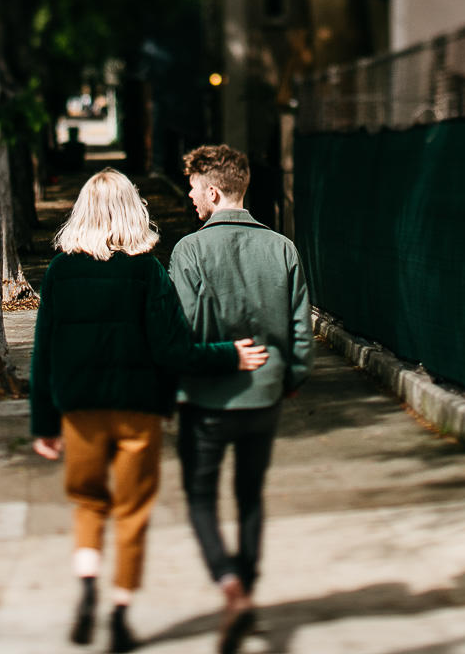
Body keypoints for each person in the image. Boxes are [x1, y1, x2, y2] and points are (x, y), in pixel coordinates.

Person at [29, 168, 268, 653]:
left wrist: (44, 423)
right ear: (131, 208)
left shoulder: (59, 271)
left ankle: (89, 584)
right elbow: (172, 350)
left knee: (89, 503)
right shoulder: (147, 270)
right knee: (133, 512)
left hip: (80, 409)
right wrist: (230, 355)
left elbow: (42, 355)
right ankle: (119, 613)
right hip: (138, 409)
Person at [170, 144, 313, 654]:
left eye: (192, 188)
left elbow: (180, 336)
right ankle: (247, 590)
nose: (189, 197)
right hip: (266, 395)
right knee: (251, 496)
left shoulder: (188, 252)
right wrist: (289, 378)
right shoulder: (283, 249)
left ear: (213, 191)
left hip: (207, 400)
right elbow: (301, 332)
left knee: (201, 497)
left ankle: (229, 585)